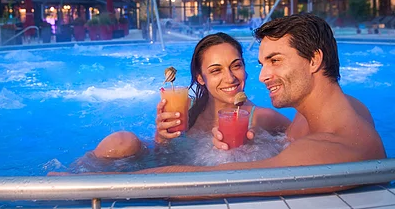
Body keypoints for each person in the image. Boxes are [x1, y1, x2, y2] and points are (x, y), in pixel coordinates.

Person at [136, 14, 386, 177]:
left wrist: (103, 183)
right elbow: (281, 148)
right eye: (262, 64)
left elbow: (218, 182)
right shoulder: (342, 109)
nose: (262, 76)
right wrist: (252, 146)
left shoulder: (328, 150)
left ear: (314, 60)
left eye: (275, 61)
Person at [94, 32, 290, 158]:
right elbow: (162, 156)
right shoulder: (186, 109)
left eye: (236, 66)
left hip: (215, 186)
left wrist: (257, 150)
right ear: (201, 78)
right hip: (175, 174)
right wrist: (162, 138)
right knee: (120, 141)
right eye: (216, 70)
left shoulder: (261, 117)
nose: (230, 78)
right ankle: (73, 179)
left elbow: (304, 136)